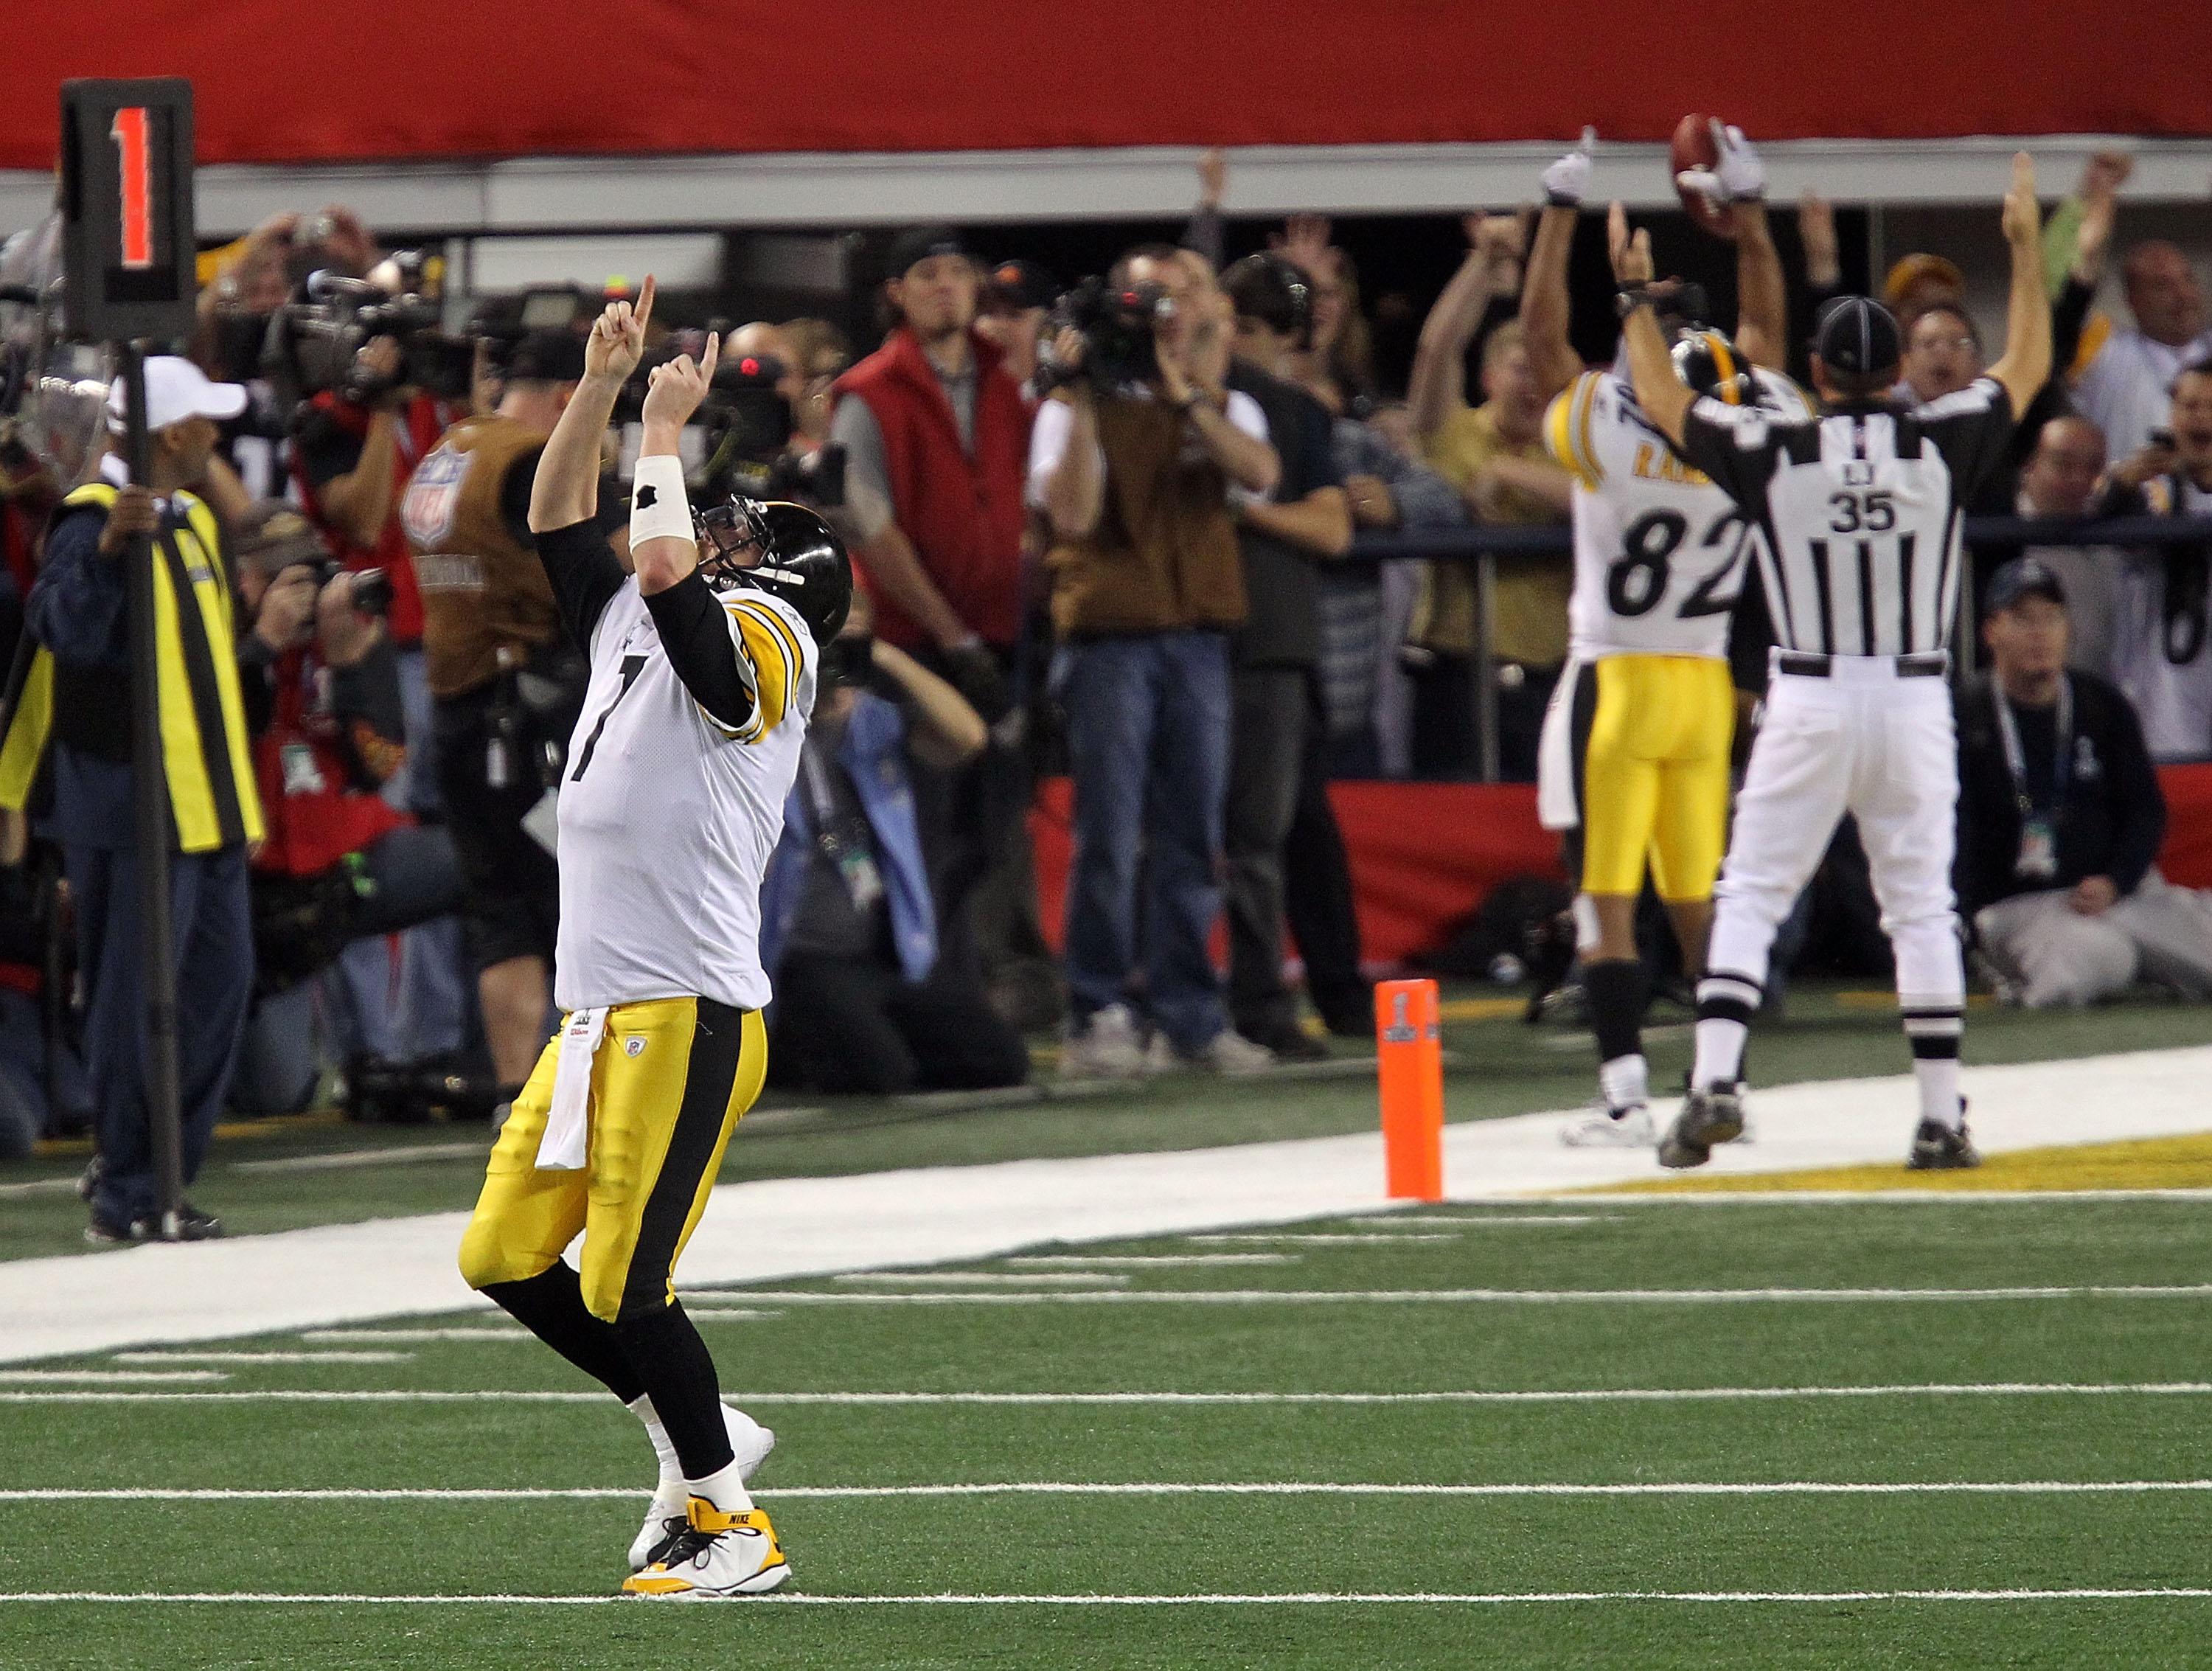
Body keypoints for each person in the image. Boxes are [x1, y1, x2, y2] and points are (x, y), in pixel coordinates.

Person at [456, 278, 849, 1599]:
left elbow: (679, 573)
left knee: (627, 1282)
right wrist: (599, 388)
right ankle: (700, 1436)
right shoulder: (644, 606)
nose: (722, 529)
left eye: (751, 531)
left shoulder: (771, 637)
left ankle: (734, 1523)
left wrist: (668, 432)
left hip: (688, 1011)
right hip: (598, 1016)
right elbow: (553, 512)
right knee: (502, 1256)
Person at [1621, 153, 2051, 1171]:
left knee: (1753, 890)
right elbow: (2026, 362)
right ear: (1897, 369)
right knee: (1921, 903)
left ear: (1816, 373)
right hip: (1911, 697)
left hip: (1809, 691)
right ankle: (1941, 1112)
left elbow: (1660, 400)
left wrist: (1639, 297)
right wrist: (2028, 251)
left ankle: (1716, 1080)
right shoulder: (1943, 442)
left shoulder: (1776, 447)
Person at [1516, 127, 1804, 1148]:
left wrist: (1558, 217)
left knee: (1605, 898)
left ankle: (1627, 1095)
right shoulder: (1756, 428)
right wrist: (1754, 216)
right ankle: (1722, 1078)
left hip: (1621, 676)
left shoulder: (1611, 422)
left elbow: (1541, 339)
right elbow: (1766, 330)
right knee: (1699, 896)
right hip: (1701, 681)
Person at [0, 358, 265, 1239]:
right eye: (206, 425)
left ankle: (163, 1171)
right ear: (170, 432)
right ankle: (128, 1185)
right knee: (131, 1002)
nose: (217, 439)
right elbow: (64, 629)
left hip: (211, 804)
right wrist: (110, 553)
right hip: (136, 805)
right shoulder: (91, 522)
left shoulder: (188, 521)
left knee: (214, 994)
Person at [1029, 243, 1280, 1077]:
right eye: (1150, 303)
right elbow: (1072, 514)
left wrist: (1183, 395)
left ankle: (1189, 1014)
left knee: (1192, 833)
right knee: (1108, 832)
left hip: (1198, 637)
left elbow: (1261, 476)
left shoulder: (1223, 404)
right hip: (1112, 638)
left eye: (1179, 299)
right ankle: (1097, 1008)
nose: (1165, 318)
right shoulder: (1074, 405)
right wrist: (1090, 397)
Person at [830, 227, 1040, 1024]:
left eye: (958, 272)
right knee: (925, 830)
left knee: (990, 827)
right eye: (927, 273)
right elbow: (869, 528)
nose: (946, 287)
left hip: (998, 637)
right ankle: (927, 992)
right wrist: (951, 632)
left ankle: (978, 983)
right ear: (897, 293)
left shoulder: (1004, 379)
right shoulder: (871, 392)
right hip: (916, 650)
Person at [403, 330, 588, 1125]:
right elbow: (592, 570)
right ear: (562, 395)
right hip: (526, 715)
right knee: (572, 909)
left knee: (500, 913)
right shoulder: (525, 461)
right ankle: (580, 1099)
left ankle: (521, 1102)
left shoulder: (446, 452)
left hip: (458, 706)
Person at [229, 506, 467, 1114]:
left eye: (313, 579)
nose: (305, 598)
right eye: (288, 581)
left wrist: (351, 667)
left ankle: (460, 1056)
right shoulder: (217, 641)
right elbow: (221, 733)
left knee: (485, 860)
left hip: (340, 868)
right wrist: (262, 646)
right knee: (276, 1094)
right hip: (248, 894)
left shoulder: (351, 635)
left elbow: (380, 768)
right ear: (245, 582)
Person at [760, 590, 1028, 1094]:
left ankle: (851, 1045)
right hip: (800, 957)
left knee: (1000, 1060)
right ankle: (788, 1051)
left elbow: (968, 737)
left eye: (851, 628)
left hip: (883, 954)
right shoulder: (766, 726)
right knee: (880, 1075)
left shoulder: (875, 724)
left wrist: (883, 655)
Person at [1958, 557, 2212, 1007]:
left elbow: (2144, 808)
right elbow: (1956, 836)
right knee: (2098, 958)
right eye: (2023, 619)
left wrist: (2114, 882)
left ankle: (2149, 958)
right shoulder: (1967, 714)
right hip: (2025, 907)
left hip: (2119, 895)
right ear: (1992, 631)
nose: (2039, 633)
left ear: (2067, 628)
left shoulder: (2101, 704)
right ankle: (2028, 971)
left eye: (2050, 618)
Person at [1217, 254, 1355, 1058]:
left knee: (1270, 837)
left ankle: (1263, 1000)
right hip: (1231, 638)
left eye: (1262, 328)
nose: (1247, 342)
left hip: (1266, 641)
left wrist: (1244, 511)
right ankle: (1234, 1001)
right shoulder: (1228, 403)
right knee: (1246, 839)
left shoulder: (1292, 412)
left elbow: (1331, 529)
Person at [2102, 364, 2212, 762]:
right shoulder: (2147, 482)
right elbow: (2104, 512)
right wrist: (2124, 485)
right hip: (2163, 680)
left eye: (2211, 406)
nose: (2201, 417)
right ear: (2171, 416)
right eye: (2190, 405)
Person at [2072, 240, 2212, 463]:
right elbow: (2062, 300)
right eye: (2162, 286)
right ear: (2133, 301)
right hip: (2128, 494)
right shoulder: (2105, 352)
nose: (2184, 295)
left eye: (2188, 280)